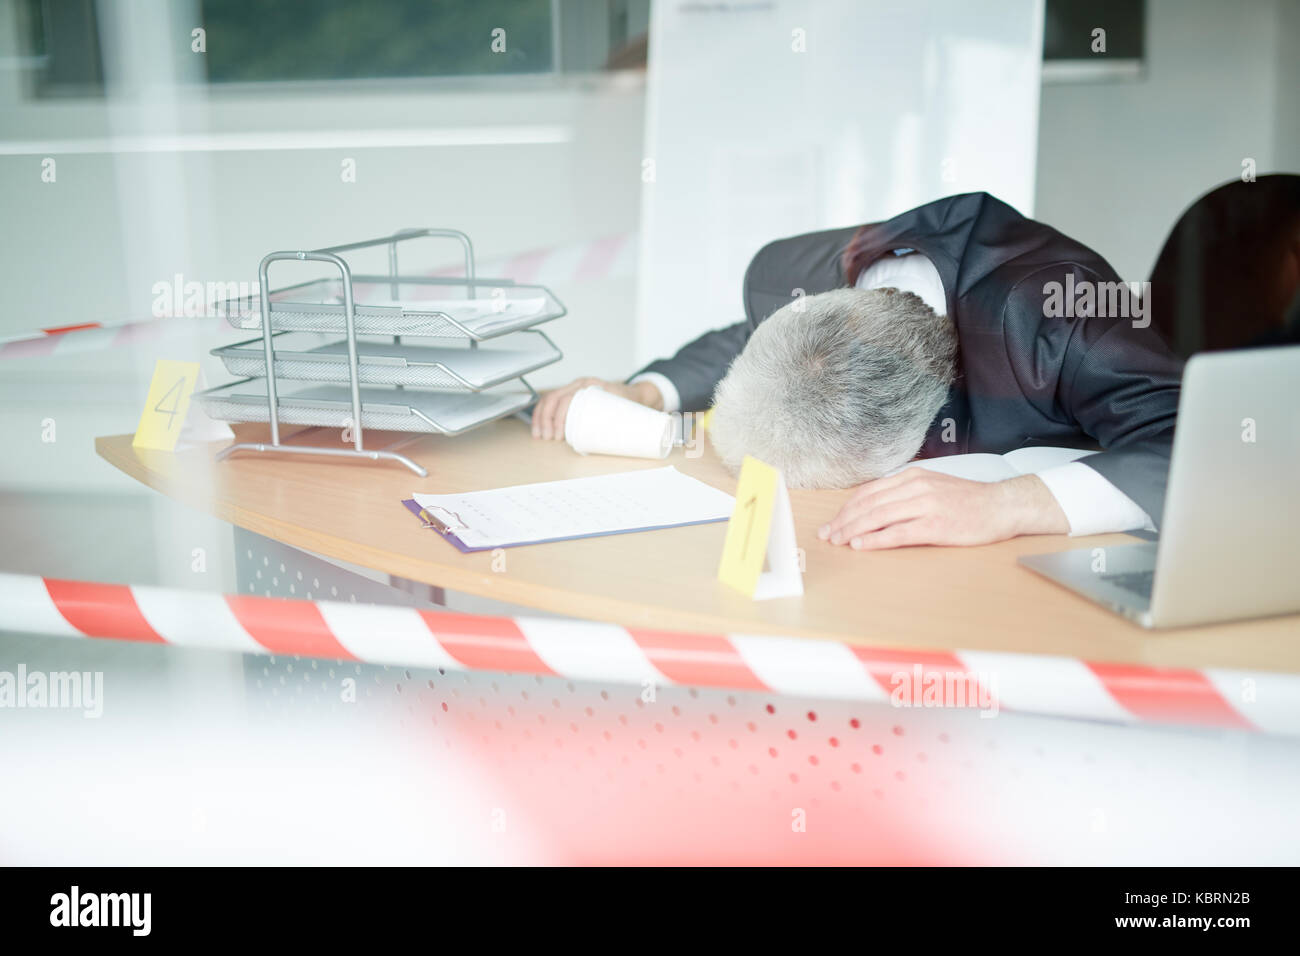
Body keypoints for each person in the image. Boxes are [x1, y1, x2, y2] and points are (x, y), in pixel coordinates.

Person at [532, 192, 1183, 551]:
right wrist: (646, 390)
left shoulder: (1058, 319)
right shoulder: (797, 279)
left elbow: (1194, 446)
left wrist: (1007, 505)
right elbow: (757, 339)